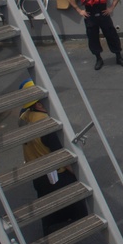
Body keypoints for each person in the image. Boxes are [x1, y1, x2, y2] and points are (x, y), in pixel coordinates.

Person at [18, 81, 88, 236]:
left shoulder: (24, 115)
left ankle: (51, 232)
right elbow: (63, 155)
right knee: (74, 206)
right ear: (39, 105)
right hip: (57, 175)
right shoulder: (47, 125)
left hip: (37, 172)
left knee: (48, 209)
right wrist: (80, 174)